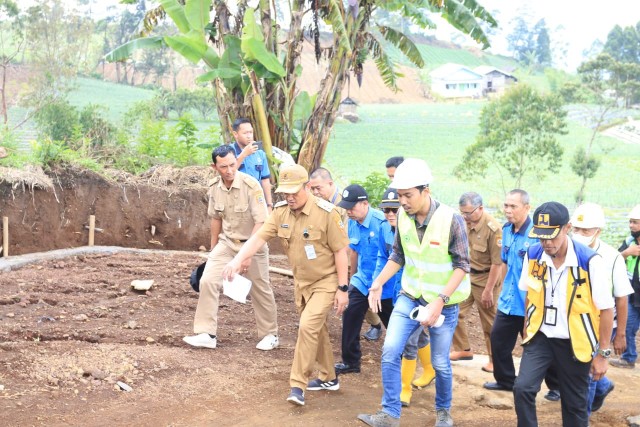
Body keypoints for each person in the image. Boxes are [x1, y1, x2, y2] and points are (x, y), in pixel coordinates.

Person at [221, 164, 349, 407]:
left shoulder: (327, 213)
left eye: (294, 192)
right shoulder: (280, 212)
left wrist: (342, 289)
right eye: (285, 193)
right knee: (316, 330)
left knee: (307, 326)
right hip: (301, 284)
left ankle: (297, 385)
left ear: (307, 187)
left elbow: (341, 252)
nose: (289, 198)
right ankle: (329, 378)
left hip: (326, 281)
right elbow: (258, 238)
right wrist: (238, 260)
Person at [358, 158, 470, 427]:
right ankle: (390, 414)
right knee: (390, 350)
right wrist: (378, 283)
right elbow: (398, 255)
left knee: (440, 362)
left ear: (425, 191)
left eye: (408, 195)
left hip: (444, 304)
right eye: (399, 195)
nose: (402, 201)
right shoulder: (404, 218)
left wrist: (440, 302)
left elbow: (462, 265)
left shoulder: (451, 219)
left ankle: (443, 413)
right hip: (410, 296)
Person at [513, 201, 614, 427]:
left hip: (575, 342)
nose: (546, 243)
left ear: (567, 228)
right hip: (541, 337)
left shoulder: (589, 262)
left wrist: (602, 354)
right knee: (522, 388)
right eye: (541, 237)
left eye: (552, 236)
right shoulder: (533, 254)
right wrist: (527, 327)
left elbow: (607, 309)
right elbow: (530, 293)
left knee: (574, 405)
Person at [183, 145, 278, 351]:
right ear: (214, 167)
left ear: (237, 162)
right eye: (224, 166)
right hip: (227, 243)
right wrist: (213, 251)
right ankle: (206, 333)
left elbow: (262, 223)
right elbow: (216, 219)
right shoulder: (214, 187)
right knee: (207, 280)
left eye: (233, 165)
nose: (229, 170)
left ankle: (270, 334)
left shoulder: (251, 186)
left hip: (253, 242)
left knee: (260, 288)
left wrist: (246, 256)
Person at [569, 203, 633, 414]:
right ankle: (603, 385)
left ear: (598, 230)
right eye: (576, 229)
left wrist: (621, 333)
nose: (579, 234)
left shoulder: (612, 257)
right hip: (573, 323)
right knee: (572, 367)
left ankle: (582, 417)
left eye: (585, 230)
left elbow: (621, 297)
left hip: (601, 325)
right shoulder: (565, 250)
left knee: (587, 372)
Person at [308, 168, 383, 341]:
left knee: (355, 293)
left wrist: (349, 268)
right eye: (313, 189)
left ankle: (376, 323)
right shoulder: (319, 203)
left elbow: (348, 239)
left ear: (330, 184)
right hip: (330, 253)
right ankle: (315, 319)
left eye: (318, 188)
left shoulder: (347, 204)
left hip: (346, 254)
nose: (316, 192)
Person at [483, 189, 538, 392]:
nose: (508, 210)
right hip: (508, 301)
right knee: (498, 340)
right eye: (506, 205)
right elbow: (504, 263)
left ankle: (556, 386)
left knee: (537, 347)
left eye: (513, 206)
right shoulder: (506, 230)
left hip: (530, 303)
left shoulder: (536, 235)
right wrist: (500, 290)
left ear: (526, 207)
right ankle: (506, 381)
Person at [335, 184, 391, 374]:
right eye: (347, 208)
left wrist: (379, 284)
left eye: (352, 207)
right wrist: (352, 280)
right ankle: (351, 362)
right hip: (362, 279)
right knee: (350, 314)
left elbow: (391, 258)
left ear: (365, 203)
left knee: (392, 322)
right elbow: (354, 253)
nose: (349, 211)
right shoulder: (352, 222)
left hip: (384, 283)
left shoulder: (382, 222)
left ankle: (403, 358)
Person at [450, 192, 503, 373]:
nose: (465, 216)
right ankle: (463, 349)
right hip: (467, 277)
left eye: (469, 213)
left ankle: (494, 360)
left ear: (480, 208)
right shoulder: (464, 223)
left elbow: (497, 263)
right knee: (454, 311)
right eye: (463, 212)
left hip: (487, 279)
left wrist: (488, 291)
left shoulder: (493, 229)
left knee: (489, 323)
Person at [610, 204, 640, 369]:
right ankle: (629, 358)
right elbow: (614, 260)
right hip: (632, 292)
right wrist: (627, 253)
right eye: (630, 222)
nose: (631, 226)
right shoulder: (629, 242)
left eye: (635, 222)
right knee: (627, 325)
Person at [230, 118, 274, 212]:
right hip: (237, 200)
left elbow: (265, 180)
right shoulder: (228, 152)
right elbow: (229, 173)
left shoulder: (260, 153)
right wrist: (244, 154)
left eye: (251, 132)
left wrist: (269, 204)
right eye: (245, 133)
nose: (249, 136)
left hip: (257, 199)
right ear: (235, 134)